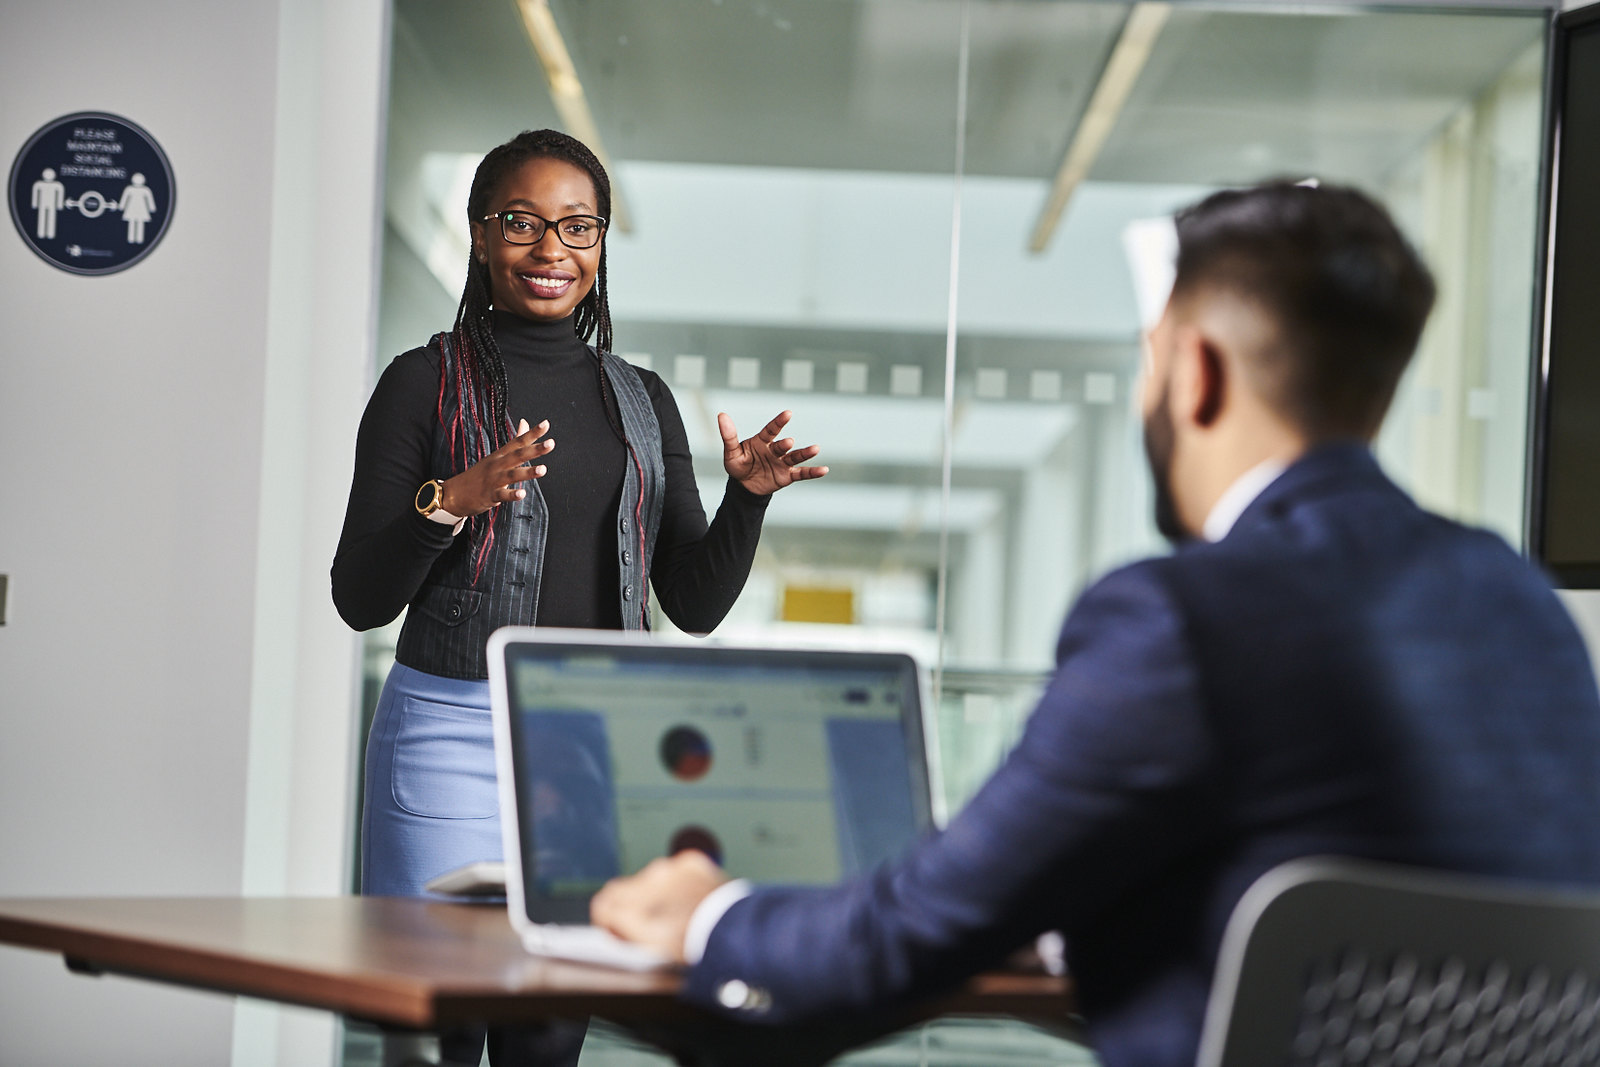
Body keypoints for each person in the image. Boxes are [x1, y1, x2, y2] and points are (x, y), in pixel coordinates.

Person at [590, 181, 1600, 1067]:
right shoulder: (1514, 600)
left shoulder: (1181, 617)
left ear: (1193, 370)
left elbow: (912, 930)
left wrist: (710, 912)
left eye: (1146, 359)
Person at [331, 128, 825, 1066]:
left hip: (593, 744)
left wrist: (746, 500)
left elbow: (693, 600)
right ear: (480, 236)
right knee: (432, 1031)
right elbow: (358, 596)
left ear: (600, 246)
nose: (551, 248)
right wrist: (452, 501)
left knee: (549, 1031)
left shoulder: (641, 398)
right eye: (521, 222)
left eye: (578, 226)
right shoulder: (419, 384)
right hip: (450, 735)